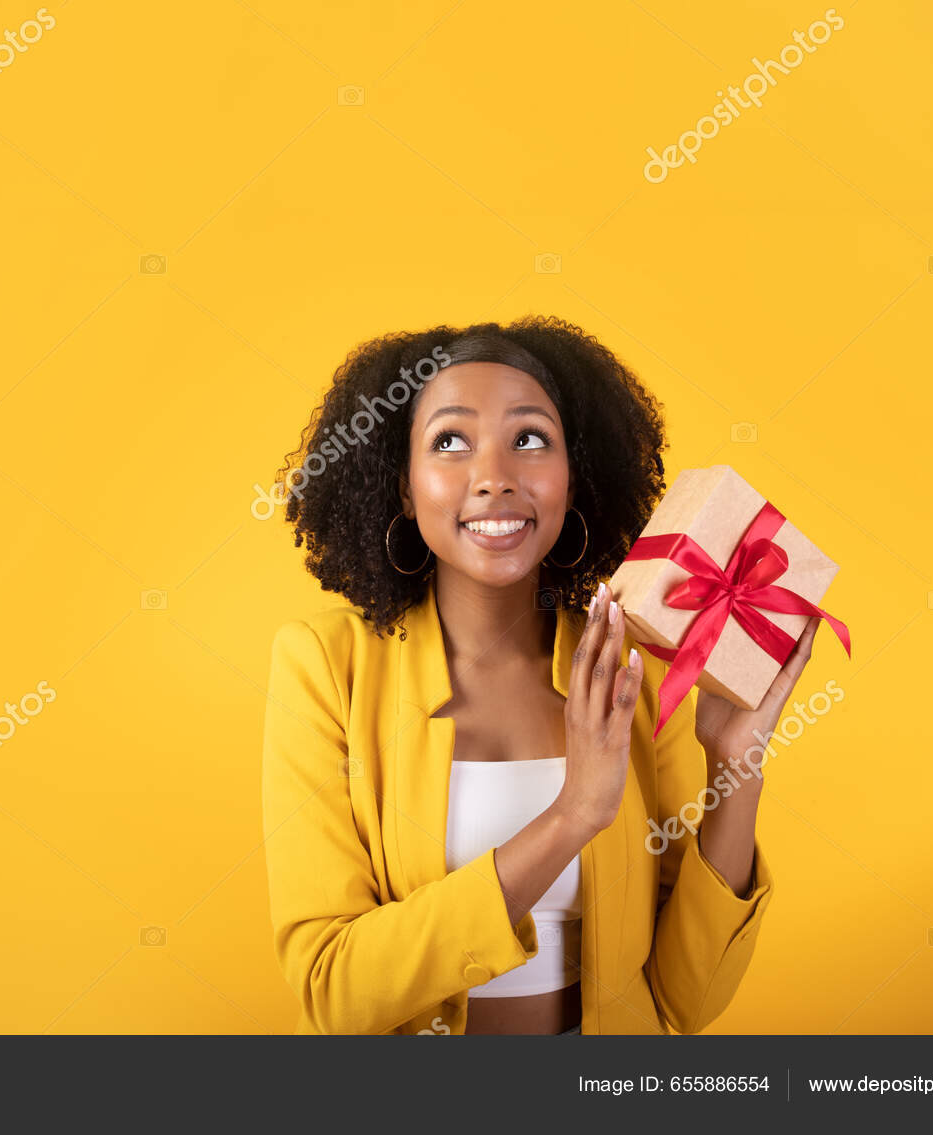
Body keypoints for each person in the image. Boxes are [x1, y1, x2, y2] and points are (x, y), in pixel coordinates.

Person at [261, 317, 820, 1035]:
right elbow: (335, 989)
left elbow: (688, 999)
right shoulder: (323, 664)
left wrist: (736, 766)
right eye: (450, 441)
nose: (494, 476)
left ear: (573, 477)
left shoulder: (636, 667)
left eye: (529, 439)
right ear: (401, 486)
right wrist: (572, 816)